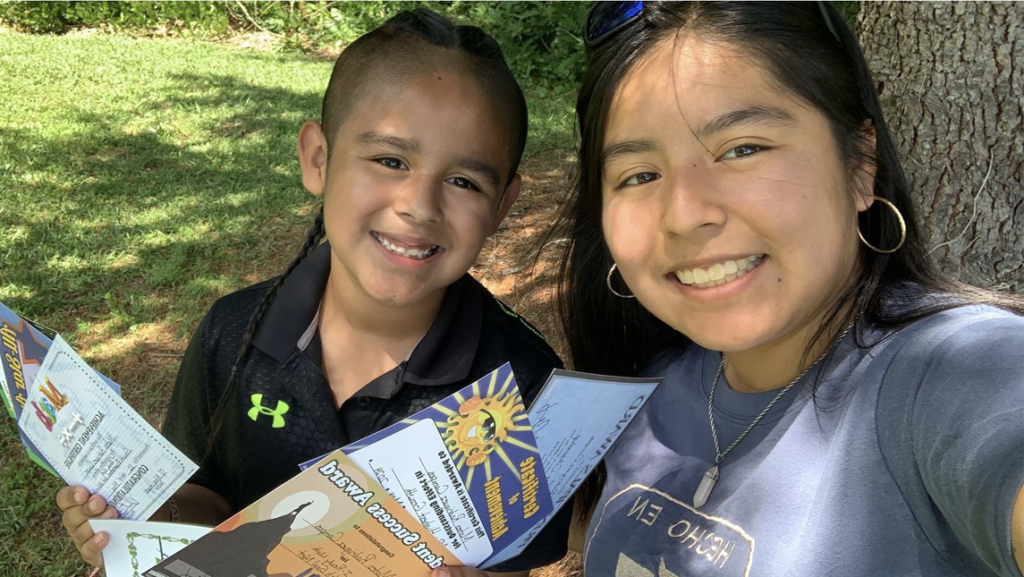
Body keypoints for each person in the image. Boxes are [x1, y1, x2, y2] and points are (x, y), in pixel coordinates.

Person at [444, 2, 1024, 577]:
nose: (684, 213)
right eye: (639, 175)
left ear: (861, 162)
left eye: (742, 148)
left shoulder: (956, 375)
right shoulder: (650, 385)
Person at [54, 8, 570, 575]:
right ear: (318, 159)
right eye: (390, 159)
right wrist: (138, 522)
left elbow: (514, 564)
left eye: (463, 181)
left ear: (502, 205)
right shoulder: (233, 332)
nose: (419, 206)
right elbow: (205, 500)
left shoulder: (524, 387)